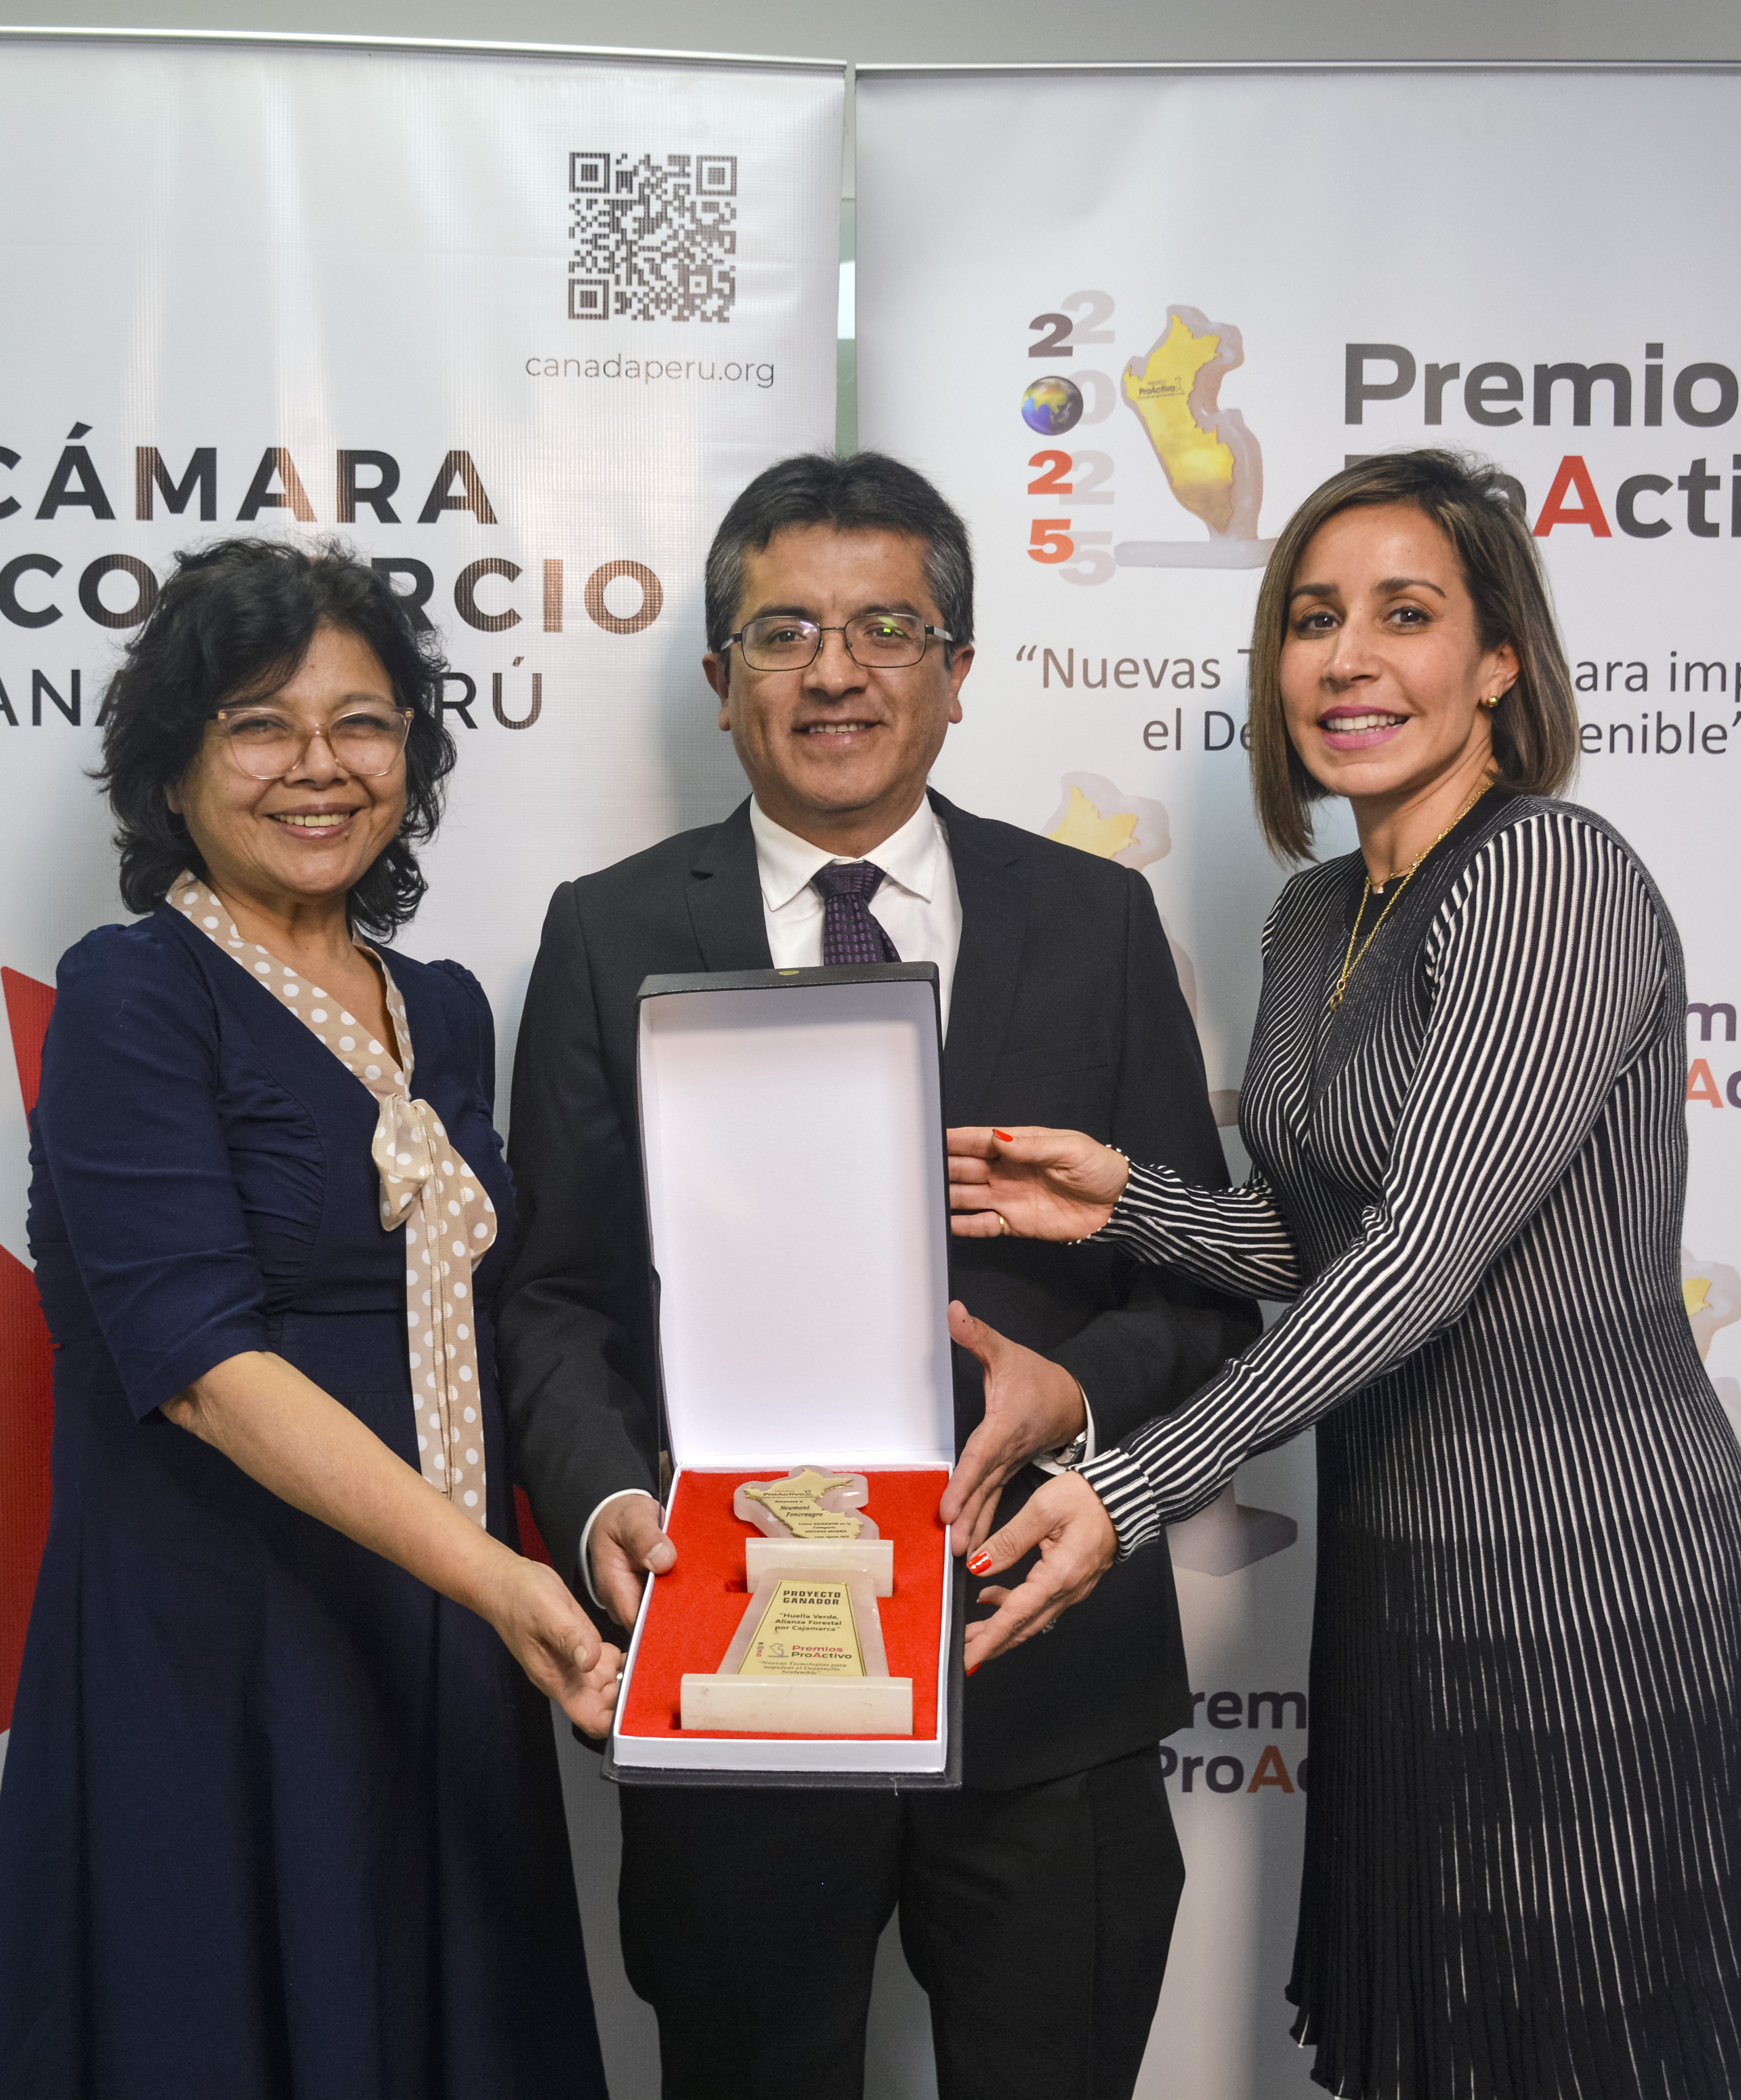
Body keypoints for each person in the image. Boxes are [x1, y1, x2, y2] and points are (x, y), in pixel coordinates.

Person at [946, 450, 1741, 2097]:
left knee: (1585, 2057)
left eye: (1405, 615)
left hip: (1587, 1572)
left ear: (1499, 663)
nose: (1347, 659)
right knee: (1446, 2056)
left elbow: (1422, 1258)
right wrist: (1127, 1205)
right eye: (1313, 619)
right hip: (1404, 1574)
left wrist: (1132, 1488)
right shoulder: (1313, 916)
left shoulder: (1551, 875)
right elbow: (1322, 1240)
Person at [498, 452, 1257, 2100]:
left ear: (958, 671)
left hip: (1045, 1670)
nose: (834, 672)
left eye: (886, 629)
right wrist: (608, 1496)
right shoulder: (609, 932)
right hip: (733, 1675)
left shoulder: (1097, 920)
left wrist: (1074, 1399)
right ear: (722, 681)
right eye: (784, 633)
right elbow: (551, 1295)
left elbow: (1200, 1284)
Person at [0, 539, 614, 2100]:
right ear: (174, 767)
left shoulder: (443, 1005)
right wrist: (499, 1579)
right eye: (259, 724)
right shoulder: (134, 994)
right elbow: (198, 1366)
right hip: (225, 1644)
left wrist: (580, 1532)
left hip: (438, 1632)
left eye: (362, 722)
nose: (318, 765)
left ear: (412, 752)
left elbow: (502, 1317)